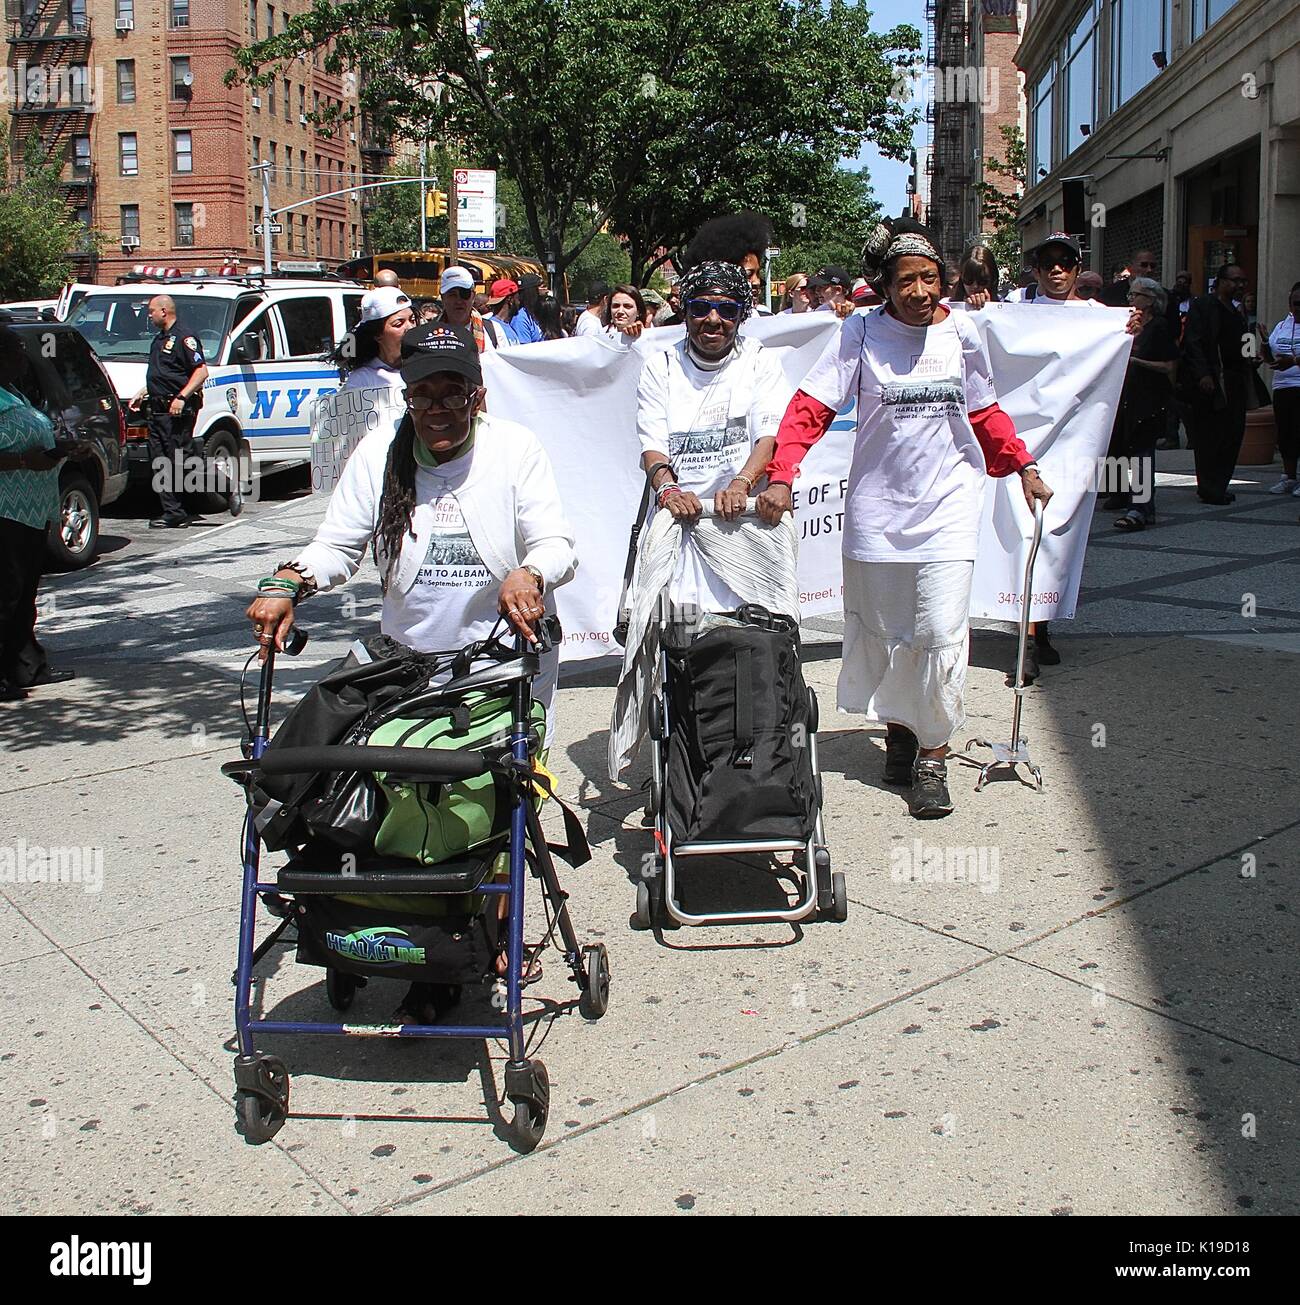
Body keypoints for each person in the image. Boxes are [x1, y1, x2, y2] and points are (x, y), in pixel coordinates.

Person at [246, 323, 577, 1019]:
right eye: (421, 393)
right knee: (405, 803)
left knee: (492, 809)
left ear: (475, 396)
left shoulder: (515, 449)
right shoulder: (380, 455)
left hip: (500, 668)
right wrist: (289, 581)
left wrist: (530, 569)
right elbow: (337, 544)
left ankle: (483, 937)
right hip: (408, 671)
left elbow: (556, 539)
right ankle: (406, 932)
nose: (436, 407)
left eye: (450, 392)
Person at [756, 218, 1052, 819]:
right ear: (885, 287)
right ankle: (899, 730)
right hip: (875, 513)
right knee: (889, 633)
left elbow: (986, 410)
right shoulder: (860, 334)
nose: (920, 291)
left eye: (929, 278)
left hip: (947, 509)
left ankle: (934, 757)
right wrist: (783, 473)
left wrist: (1021, 465)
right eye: (906, 280)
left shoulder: (963, 334)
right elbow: (810, 410)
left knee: (940, 633)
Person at [634, 259, 788, 620]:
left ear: (741, 315)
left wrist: (741, 484)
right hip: (680, 528)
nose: (713, 320)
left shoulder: (759, 362)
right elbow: (651, 446)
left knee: (752, 650)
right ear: (686, 313)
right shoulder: (661, 367)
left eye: (727, 310)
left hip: (746, 529)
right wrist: (669, 490)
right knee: (680, 650)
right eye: (701, 308)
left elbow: (768, 437)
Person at [0, 326, 77, 700]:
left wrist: (57, 449)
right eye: (15, 350)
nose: (23, 356)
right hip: (5, 512)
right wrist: (21, 460)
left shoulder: (12, 393)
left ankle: (26, 666)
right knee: (6, 595)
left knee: (24, 593)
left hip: (29, 512)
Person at [129, 294, 209, 529]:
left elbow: (201, 372)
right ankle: (173, 512)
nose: (149, 315)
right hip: (157, 410)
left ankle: (225, 486)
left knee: (180, 461)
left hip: (176, 411)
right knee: (160, 461)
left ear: (164, 311)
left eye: (151, 311)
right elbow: (165, 374)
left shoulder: (185, 337)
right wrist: (144, 391)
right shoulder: (160, 339)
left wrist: (182, 397)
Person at [1111, 277, 1179, 532]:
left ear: (1150, 301)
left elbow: (1169, 366)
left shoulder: (1159, 327)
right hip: (1127, 397)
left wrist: (1135, 361)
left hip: (1149, 399)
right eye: (1129, 294)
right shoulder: (1128, 324)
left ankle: (1139, 509)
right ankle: (1125, 499)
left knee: (1142, 456)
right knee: (1122, 449)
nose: (1130, 299)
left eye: (1135, 295)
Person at [1182, 264, 1252, 505]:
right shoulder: (1203, 306)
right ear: (1220, 281)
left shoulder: (1238, 311)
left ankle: (1220, 484)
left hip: (1234, 381)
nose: (1240, 286)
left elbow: (1245, 343)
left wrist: (1253, 357)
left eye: (1243, 281)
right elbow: (1194, 342)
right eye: (1235, 280)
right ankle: (1210, 487)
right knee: (1210, 436)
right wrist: (1203, 374)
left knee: (1232, 433)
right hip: (1212, 381)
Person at [681, 211, 774, 314]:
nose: (757, 282)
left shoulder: (770, 323)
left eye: (757, 274)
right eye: (748, 274)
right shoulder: (694, 323)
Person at [331, 286, 415, 390]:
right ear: (377, 334)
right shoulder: (362, 380)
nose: (410, 327)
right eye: (398, 324)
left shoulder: (423, 366)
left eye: (412, 320)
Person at [1263, 281, 1300, 496]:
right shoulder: (1282, 325)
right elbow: (1271, 359)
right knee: (1285, 434)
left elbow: (1290, 360)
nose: (1298, 308)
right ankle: (1288, 477)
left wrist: (1294, 362)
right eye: (1295, 303)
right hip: (1282, 386)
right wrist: (1266, 346)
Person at [438, 265, 499, 352]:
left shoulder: (494, 331)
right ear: (443, 298)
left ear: (473, 296)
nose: (459, 301)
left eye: (464, 294)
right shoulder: (428, 333)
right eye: (452, 295)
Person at [510, 275, 547, 344]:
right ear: (532, 292)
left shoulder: (533, 313)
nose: (546, 291)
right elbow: (525, 351)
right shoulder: (520, 319)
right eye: (541, 287)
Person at [485, 278, 521, 345]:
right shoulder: (493, 329)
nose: (519, 303)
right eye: (517, 298)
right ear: (510, 300)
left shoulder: (507, 326)